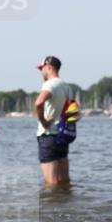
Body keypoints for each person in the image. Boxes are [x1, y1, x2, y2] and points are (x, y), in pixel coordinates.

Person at [35, 56, 71, 189]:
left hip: (48, 136)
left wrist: (44, 122)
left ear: (49, 67)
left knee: (52, 183)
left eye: (42, 69)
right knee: (64, 181)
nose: (41, 72)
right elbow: (75, 112)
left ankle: (53, 209)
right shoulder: (67, 86)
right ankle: (66, 207)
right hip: (63, 137)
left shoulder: (49, 84)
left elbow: (38, 103)